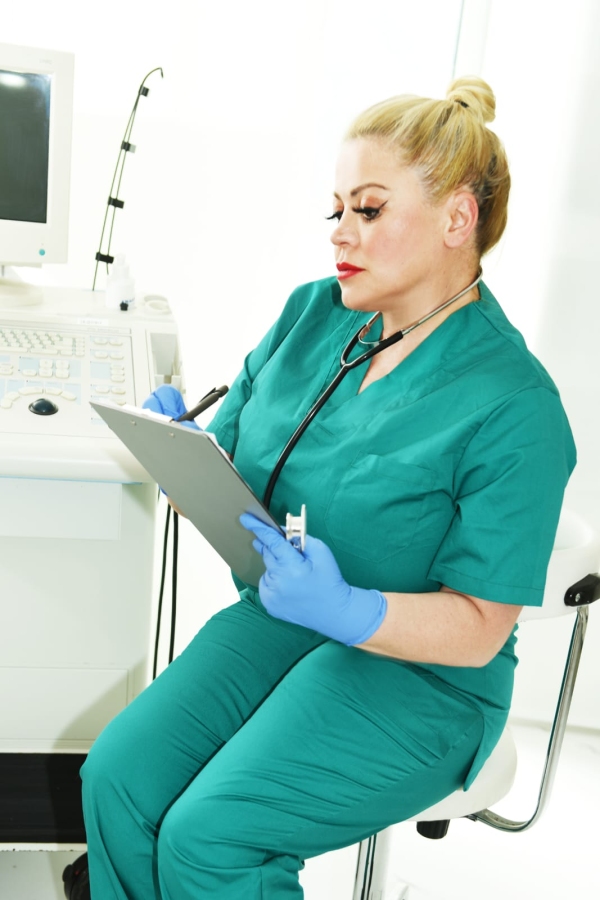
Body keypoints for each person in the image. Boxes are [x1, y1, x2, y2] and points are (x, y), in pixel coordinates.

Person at [78, 76, 575, 900]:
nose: (341, 231)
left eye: (369, 210)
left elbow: (480, 630)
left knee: (212, 838)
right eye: (336, 209)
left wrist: (350, 609)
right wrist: (186, 455)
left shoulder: (516, 405)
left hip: (426, 679)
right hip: (281, 622)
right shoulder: (315, 314)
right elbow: (239, 468)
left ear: (458, 219)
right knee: (118, 780)